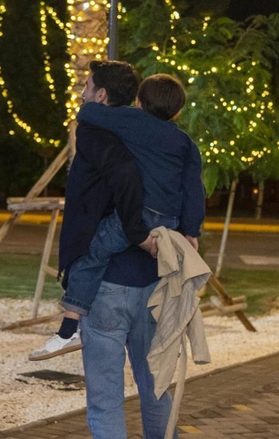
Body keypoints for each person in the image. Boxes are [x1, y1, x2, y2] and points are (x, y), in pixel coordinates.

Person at [59, 60, 203, 439]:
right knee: (155, 386)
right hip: (155, 285)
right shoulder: (181, 143)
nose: (83, 92)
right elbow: (193, 196)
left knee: (104, 404)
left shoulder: (113, 133)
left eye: (87, 87)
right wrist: (191, 233)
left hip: (109, 288)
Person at [32, 72, 202, 362]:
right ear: (178, 112)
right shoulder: (185, 142)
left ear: (138, 101)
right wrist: (191, 230)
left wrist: (97, 105)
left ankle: (68, 330)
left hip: (140, 214)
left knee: (91, 255)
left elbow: (90, 112)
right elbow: (194, 188)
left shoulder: (132, 121)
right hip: (170, 220)